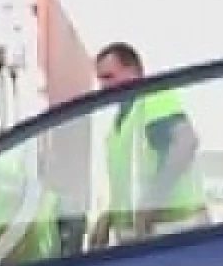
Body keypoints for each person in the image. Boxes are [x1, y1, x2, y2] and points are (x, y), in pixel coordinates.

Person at [87, 43, 206, 249]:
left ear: (134, 71)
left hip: (174, 229)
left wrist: (153, 200)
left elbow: (185, 142)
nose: (102, 87)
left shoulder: (152, 99)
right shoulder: (118, 127)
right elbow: (129, 185)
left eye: (109, 77)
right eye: (99, 79)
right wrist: (110, 217)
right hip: (143, 238)